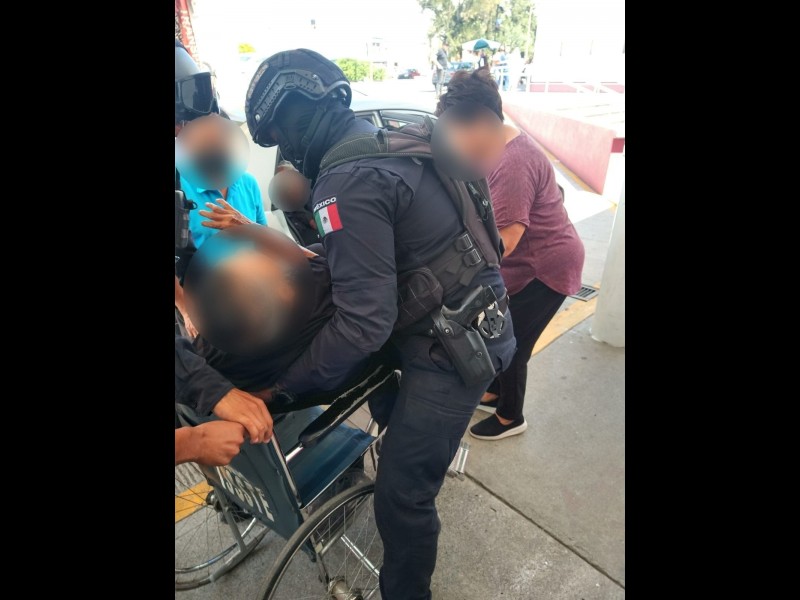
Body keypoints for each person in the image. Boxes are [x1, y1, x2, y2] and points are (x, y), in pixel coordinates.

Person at [244, 48, 516, 600]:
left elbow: (362, 325)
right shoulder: (383, 136)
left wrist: (280, 390)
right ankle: (406, 448)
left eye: (281, 133)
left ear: (304, 111)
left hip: (452, 348)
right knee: (387, 418)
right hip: (458, 316)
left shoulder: (344, 180)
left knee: (402, 496)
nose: (285, 149)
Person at [436, 69, 585, 440]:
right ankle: (494, 392)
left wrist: (457, 270)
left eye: (457, 130)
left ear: (482, 123)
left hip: (544, 268)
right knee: (498, 330)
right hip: (527, 264)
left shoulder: (513, 162)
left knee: (511, 343)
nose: (454, 141)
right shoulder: (497, 148)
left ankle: (510, 417)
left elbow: (508, 239)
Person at [174, 39, 273, 466]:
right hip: (207, 315)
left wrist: (247, 229)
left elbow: (267, 243)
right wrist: (188, 308)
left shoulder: (245, 184)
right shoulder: (181, 186)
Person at [177, 113, 268, 250]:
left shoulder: (249, 183)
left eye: (220, 138)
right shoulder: (179, 183)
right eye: (206, 140)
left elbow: (267, 236)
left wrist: (247, 227)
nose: (214, 146)